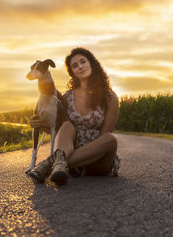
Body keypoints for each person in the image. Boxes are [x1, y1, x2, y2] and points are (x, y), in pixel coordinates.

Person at [29, 47, 120, 185]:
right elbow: (59, 131)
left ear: (92, 63)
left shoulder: (110, 97)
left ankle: (50, 164)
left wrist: (71, 156)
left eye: (83, 62)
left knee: (110, 139)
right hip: (70, 152)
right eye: (75, 65)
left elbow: (104, 137)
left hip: (97, 160)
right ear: (72, 72)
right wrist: (40, 124)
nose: (80, 67)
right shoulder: (67, 97)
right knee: (67, 125)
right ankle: (59, 164)